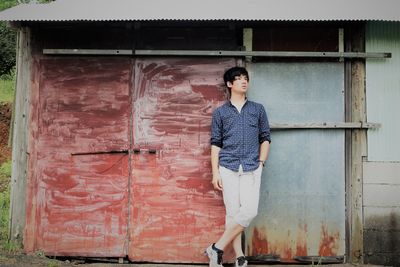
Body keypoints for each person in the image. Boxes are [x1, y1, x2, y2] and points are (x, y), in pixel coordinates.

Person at [206, 66, 271, 267]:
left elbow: (265, 138)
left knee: (249, 211)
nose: (244, 81)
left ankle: (216, 248)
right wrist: (215, 172)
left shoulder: (258, 109)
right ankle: (239, 257)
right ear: (229, 84)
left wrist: (261, 162)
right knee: (232, 213)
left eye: (246, 78)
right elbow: (216, 143)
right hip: (228, 167)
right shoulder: (220, 113)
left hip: (252, 166)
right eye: (239, 78)